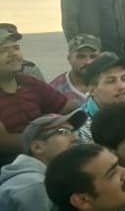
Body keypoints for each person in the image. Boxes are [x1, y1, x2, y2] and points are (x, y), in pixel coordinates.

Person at [0, 29, 74, 165]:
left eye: (16, 48)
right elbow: (3, 142)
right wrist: (46, 142)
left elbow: (65, 106)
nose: (13, 54)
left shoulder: (28, 82)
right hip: (10, 167)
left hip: (41, 153)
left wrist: (94, 103)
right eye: (3, 51)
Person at [0, 110, 85, 211]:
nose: (75, 138)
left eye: (74, 132)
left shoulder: (44, 179)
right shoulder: (35, 186)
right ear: (38, 147)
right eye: (63, 132)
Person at [76, 53, 125, 143]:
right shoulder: (83, 128)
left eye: (124, 79)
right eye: (111, 81)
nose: (122, 86)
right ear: (92, 90)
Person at [49, 34, 101, 103]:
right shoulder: (55, 90)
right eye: (81, 57)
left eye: (93, 56)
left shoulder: (110, 84)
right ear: (69, 58)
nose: (88, 62)